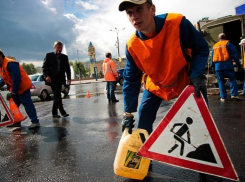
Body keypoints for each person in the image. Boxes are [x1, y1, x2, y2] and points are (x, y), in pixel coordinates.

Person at [119, 0, 209, 135]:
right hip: (156, 85)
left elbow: (200, 47)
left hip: (184, 79)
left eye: (139, 9)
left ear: (152, 10)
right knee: (144, 119)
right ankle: (144, 153)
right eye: (130, 13)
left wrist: (197, 75)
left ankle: (202, 148)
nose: (134, 17)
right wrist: (127, 112)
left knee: (201, 118)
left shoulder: (177, 24)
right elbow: (131, 79)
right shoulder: (132, 45)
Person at [0, 49, 40, 129]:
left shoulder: (10, 63)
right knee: (14, 106)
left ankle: (35, 122)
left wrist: (13, 92)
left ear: (0, 55)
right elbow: (4, 79)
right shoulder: (1, 66)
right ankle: (16, 122)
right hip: (16, 88)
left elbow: (17, 78)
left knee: (27, 104)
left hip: (23, 87)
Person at [42, 41, 71, 118]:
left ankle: (54, 113)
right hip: (52, 79)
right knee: (58, 95)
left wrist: (69, 78)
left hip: (60, 79)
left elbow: (67, 69)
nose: (59, 49)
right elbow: (44, 68)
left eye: (61, 48)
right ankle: (62, 111)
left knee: (56, 96)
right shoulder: (49, 55)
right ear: (54, 47)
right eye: (58, 47)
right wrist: (47, 76)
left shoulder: (64, 57)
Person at [211, 33, 241, 101]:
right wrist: (238, 63)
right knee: (232, 79)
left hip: (218, 66)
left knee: (220, 81)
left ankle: (223, 97)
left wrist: (212, 66)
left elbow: (212, 57)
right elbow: (235, 54)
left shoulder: (215, 46)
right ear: (225, 38)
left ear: (219, 39)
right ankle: (234, 95)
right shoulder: (228, 44)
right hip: (228, 65)